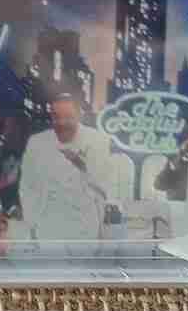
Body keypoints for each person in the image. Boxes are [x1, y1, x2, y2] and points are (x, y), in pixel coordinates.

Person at [18, 90, 122, 243]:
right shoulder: (37, 142)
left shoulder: (97, 141)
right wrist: (32, 223)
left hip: (85, 227)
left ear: (79, 116)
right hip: (47, 226)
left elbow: (105, 187)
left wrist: (84, 166)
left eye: (67, 117)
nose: (61, 123)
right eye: (56, 117)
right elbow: (27, 186)